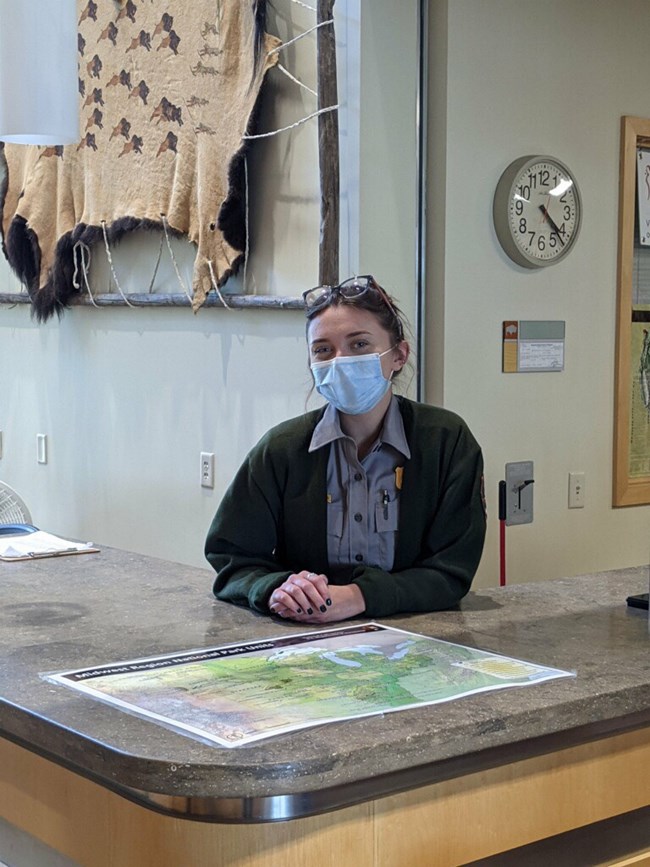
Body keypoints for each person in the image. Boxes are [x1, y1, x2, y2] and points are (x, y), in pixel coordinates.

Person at [205, 275, 486, 623]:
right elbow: (232, 558)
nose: (340, 361)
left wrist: (358, 597)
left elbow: (452, 572)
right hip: (302, 642)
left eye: (359, 345)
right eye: (323, 350)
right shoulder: (281, 450)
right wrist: (277, 588)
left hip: (418, 640)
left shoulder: (447, 441)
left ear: (398, 355)